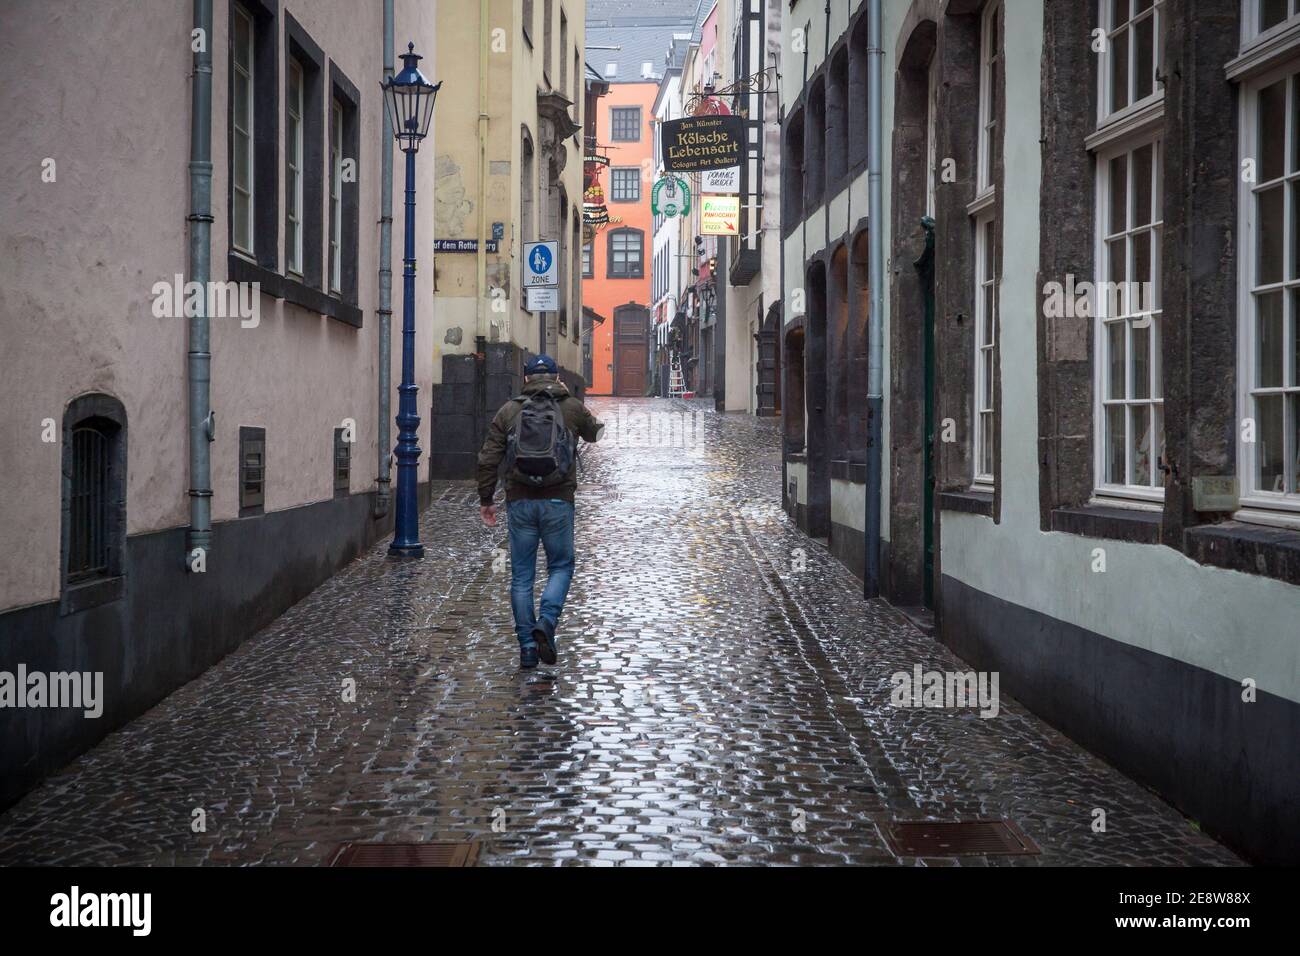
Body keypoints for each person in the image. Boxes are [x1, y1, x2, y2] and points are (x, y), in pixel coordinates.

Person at [476, 355, 604, 668]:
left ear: (526, 378)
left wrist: (486, 499)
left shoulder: (509, 410)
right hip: (558, 500)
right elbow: (595, 432)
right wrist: (571, 401)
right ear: (557, 376)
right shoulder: (570, 406)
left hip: (520, 501)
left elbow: (488, 458)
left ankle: (527, 648)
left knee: (521, 576)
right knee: (561, 566)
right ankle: (546, 621)